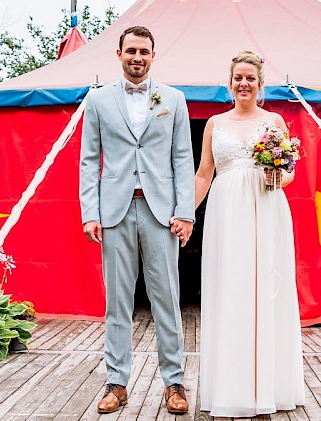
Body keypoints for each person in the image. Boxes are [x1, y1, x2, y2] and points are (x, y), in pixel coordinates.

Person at [79, 25, 196, 415]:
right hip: (114, 211)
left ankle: (174, 382)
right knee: (118, 301)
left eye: (144, 51)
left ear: (153, 55)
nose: (137, 57)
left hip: (161, 212)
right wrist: (89, 213)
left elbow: (183, 159)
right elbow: (89, 160)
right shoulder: (97, 101)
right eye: (131, 51)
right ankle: (117, 382)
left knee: (167, 298)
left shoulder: (174, 99)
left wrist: (185, 212)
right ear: (118, 54)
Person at [194, 51, 305, 417]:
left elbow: (288, 173)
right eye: (238, 78)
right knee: (231, 288)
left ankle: (269, 387)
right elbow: (203, 176)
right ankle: (231, 386)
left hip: (266, 207)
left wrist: (278, 177)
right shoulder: (214, 123)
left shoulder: (274, 120)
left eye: (250, 78)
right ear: (230, 83)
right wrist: (185, 215)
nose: (244, 83)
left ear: (260, 84)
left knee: (265, 290)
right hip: (226, 212)